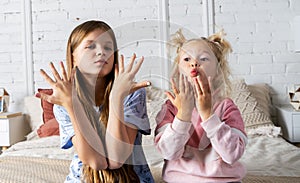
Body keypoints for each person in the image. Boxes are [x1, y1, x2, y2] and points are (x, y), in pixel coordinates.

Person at [36, 20, 154, 183]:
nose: (101, 52)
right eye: (90, 46)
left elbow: (116, 159)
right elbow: (96, 162)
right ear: (73, 57)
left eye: (107, 47)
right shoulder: (64, 103)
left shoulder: (131, 93)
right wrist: (72, 105)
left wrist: (116, 98)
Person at [154, 29, 247, 183]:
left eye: (204, 58)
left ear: (217, 71)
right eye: (186, 59)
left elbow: (232, 155)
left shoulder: (227, 107)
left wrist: (208, 114)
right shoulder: (170, 107)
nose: (194, 63)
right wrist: (183, 115)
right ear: (178, 71)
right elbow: (168, 153)